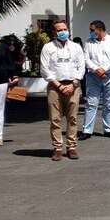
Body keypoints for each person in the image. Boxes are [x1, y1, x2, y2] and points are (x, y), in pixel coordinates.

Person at [40, 21, 85, 161]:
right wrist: (59, 85)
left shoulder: (76, 47)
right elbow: (44, 69)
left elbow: (81, 67)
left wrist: (74, 83)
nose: (63, 32)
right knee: (55, 119)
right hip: (55, 86)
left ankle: (71, 147)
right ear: (54, 32)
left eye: (65, 29)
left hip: (73, 85)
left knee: (72, 118)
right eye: (59, 30)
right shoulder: (48, 48)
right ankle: (57, 148)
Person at [81, 20, 110, 140]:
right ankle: (87, 130)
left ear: (100, 29)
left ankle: (108, 129)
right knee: (91, 103)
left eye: (92, 30)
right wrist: (96, 69)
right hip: (93, 76)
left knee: (109, 104)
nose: (90, 32)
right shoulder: (88, 42)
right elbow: (86, 58)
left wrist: (104, 69)